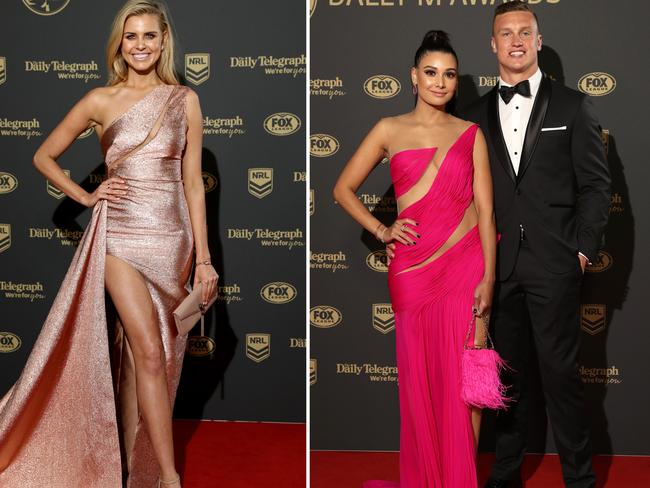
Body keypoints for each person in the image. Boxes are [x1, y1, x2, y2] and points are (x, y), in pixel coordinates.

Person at [0, 1, 218, 487]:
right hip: (118, 234)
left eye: (149, 36)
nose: (140, 45)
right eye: (131, 36)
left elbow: (193, 184)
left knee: (159, 353)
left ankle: (139, 465)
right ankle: (168, 476)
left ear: (164, 42)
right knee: (146, 350)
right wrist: (86, 194)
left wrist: (204, 259)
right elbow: (44, 155)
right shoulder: (99, 99)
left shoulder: (184, 100)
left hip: (172, 238)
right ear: (119, 43)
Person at [334, 30, 498, 487]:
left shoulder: (470, 134)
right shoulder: (390, 129)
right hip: (413, 274)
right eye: (431, 73)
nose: (440, 82)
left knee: (470, 381)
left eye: (449, 75)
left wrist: (489, 277)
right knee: (422, 384)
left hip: (467, 270)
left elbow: (486, 212)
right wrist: (382, 229)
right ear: (413, 77)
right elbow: (341, 189)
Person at [462, 3, 611, 487]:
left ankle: (579, 479)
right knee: (506, 380)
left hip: (554, 265)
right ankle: (505, 475)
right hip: (496, 268)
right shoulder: (473, 116)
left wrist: (583, 250)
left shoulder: (572, 105)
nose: (516, 40)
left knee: (562, 379)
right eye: (506, 33)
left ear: (540, 40)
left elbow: (595, 185)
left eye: (525, 32)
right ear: (493, 44)